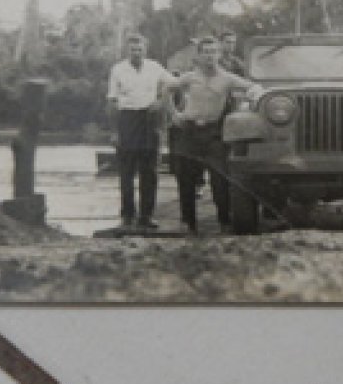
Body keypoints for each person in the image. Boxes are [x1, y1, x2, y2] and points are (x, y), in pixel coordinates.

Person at [165, 36, 261, 234]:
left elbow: (253, 87)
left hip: (214, 133)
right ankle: (188, 223)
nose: (209, 56)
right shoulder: (190, 77)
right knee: (186, 180)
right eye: (205, 53)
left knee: (220, 179)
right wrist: (174, 113)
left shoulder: (227, 78)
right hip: (189, 131)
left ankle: (224, 221)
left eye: (213, 52)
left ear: (219, 55)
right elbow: (167, 88)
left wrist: (249, 98)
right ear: (199, 56)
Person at [106, 34, 170, 230]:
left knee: (149, 171)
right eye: (132, 49)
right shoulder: (118, 69)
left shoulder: (155, 67)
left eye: (139, 49)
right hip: (127, 119)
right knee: (126, 172)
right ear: (128, 51)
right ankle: (127, 215)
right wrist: (114, 131)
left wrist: (161, 101)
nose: (136, 53)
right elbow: (112, 101)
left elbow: (173, 83)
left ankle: (146, 215)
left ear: (145, 49)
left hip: (149, 120)